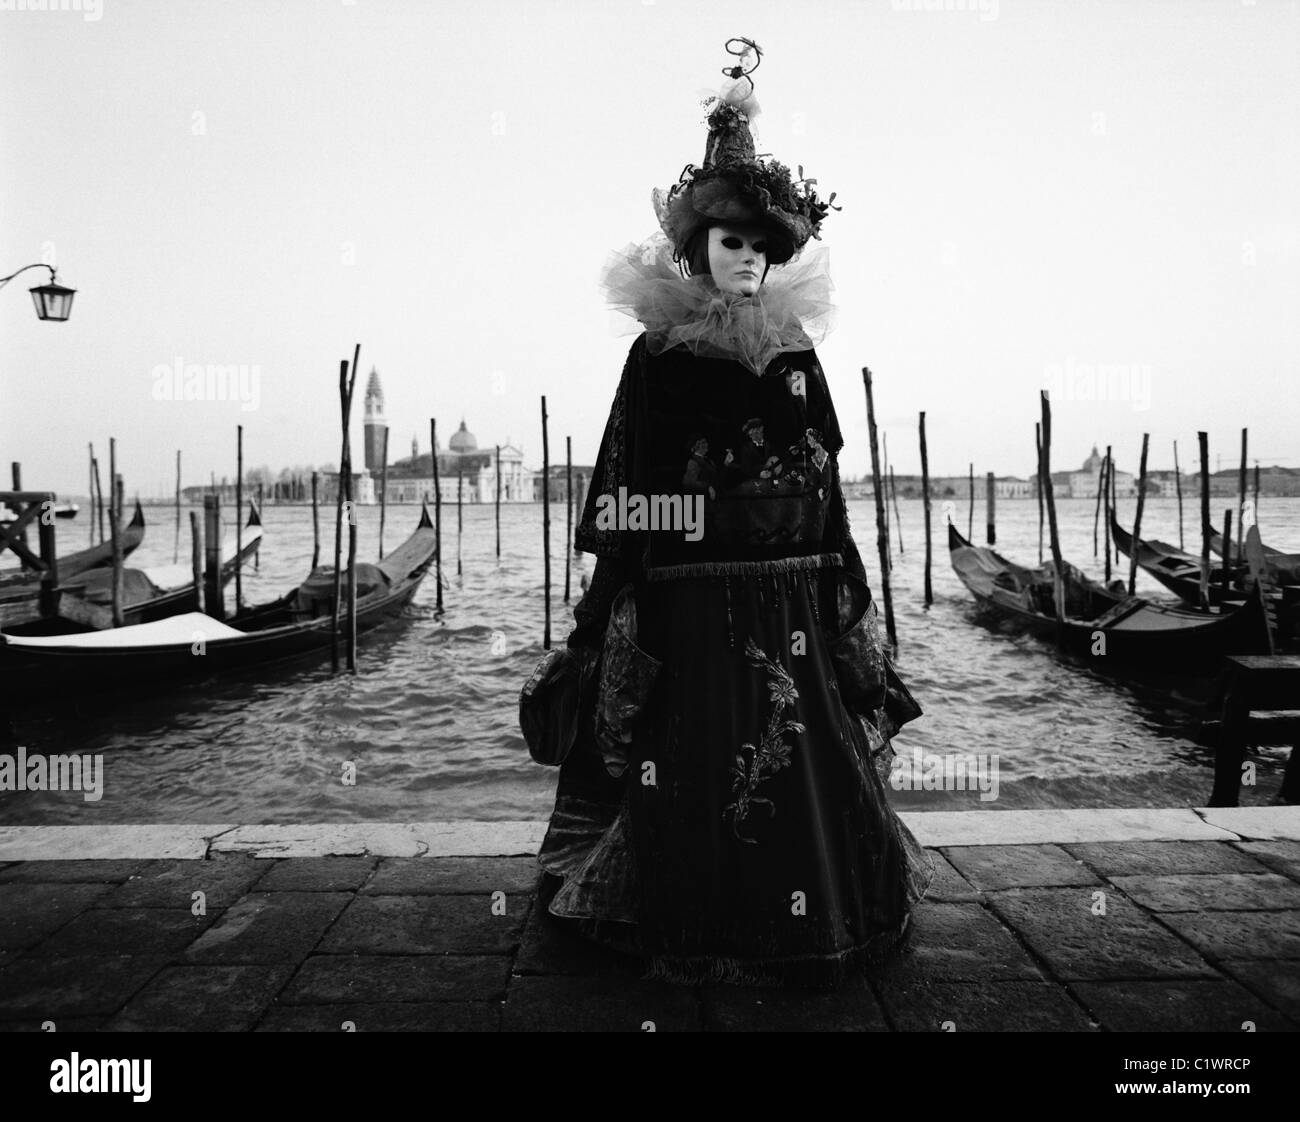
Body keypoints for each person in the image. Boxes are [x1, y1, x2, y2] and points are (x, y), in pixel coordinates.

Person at [523, 38, 932, 987]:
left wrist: (846, 589)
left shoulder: (795, 352)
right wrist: (612, 600)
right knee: (694, 759)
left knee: (799, 749)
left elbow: (823, 477)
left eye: (761, 245)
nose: (747, 259)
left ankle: (811, 916)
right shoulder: (659, 357)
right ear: (697, 247)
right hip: (689, 598)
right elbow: (629, 478)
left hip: (793, 594)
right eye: (730, 242)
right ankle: (702, 917)